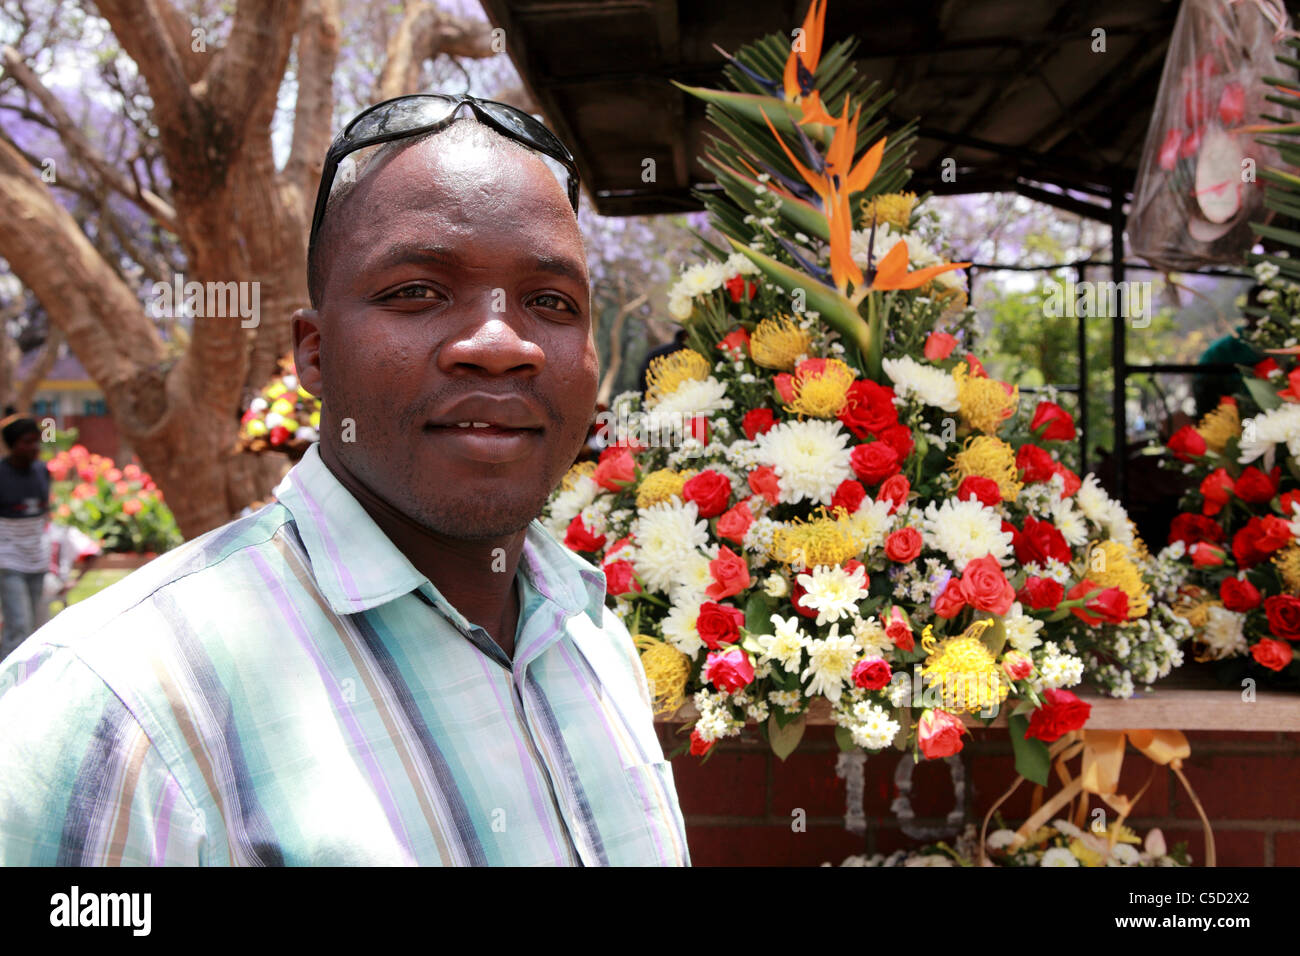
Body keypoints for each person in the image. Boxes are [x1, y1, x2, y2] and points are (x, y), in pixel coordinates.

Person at [0, 94, 689, 866]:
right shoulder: (119, 714)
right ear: (315, 353)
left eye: (551, 302)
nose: (501, 344)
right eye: (416, 292)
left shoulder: (593, 639)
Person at [0, 414, 51, 662]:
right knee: (18, 625)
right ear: (13, 444)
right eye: (27, 442)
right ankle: (6, 687)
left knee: (35, 628)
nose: (34, 447)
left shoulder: (42, 471)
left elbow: (44, 512)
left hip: (36, 559)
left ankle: (27, 679)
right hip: (9, 559)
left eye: (36, 441)